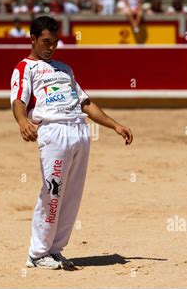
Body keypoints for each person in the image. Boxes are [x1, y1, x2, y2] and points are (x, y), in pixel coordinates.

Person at [10, 16, 133, 270]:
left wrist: (115, 125)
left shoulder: (65, 69)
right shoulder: (25, 68)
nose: (51, 47)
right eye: (46, 41)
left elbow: (85, 104)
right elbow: (18, 101)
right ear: (32, 40)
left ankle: (54, 250)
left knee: (71, 195)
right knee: (52, 191)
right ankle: (36, 253)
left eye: (55, 42)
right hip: (53, 131)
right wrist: (22, 122)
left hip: (79, 130)